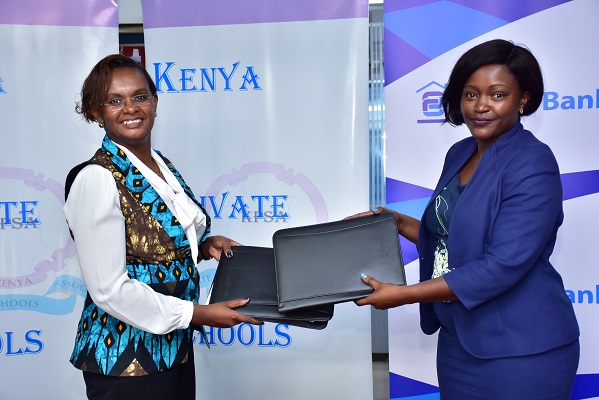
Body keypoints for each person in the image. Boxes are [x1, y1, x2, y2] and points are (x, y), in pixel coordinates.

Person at [350, 39, 580, 399]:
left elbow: (502, 265)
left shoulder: (533, 162)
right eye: (471, 94)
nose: (481, 106)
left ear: (523, 99)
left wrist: (404, 295)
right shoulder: (460, 153)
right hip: (459, 342)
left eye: (497, 94)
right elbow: (449, 237)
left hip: (521, 350)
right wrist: (395, 221)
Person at [63, 54, 262, 400]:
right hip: (124, 363)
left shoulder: (159, 165)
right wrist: (198, 313)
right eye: (115, 100)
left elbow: (148, 244)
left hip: (174, 350)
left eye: (139, 97)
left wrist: (202, 246)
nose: (130, 109)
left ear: (155, 103)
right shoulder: (96, 178)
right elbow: (108, 289)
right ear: (96, 112)